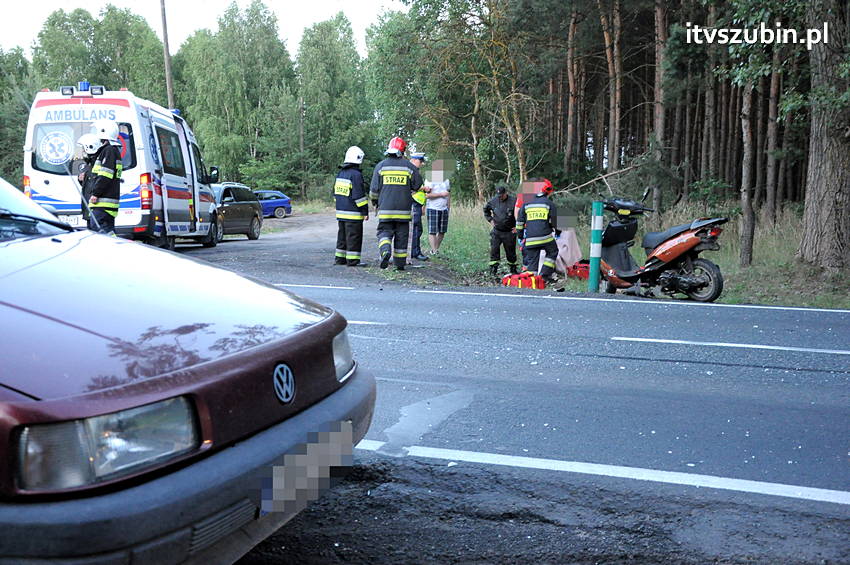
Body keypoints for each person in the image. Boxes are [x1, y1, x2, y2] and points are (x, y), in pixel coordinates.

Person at [370, 136, 423, 270]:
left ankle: (385, 250)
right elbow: (417, 185)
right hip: (404, 212)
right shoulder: (409, 167)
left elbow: (374, 190)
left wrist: (375, 202)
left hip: (385, 210)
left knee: (384, 233)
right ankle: (400, 265)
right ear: (403, 150)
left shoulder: (380, 166)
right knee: (401, 236)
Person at [81, 119, 123, 234]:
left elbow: (105, 175)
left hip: (103, 201)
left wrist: (95, 193)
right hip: (107, 200)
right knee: (105, 229)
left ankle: (115, 247)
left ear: (104, 131)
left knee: (99, 228)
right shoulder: (112, 150)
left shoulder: (108, 151)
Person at [515, 178, 559, 281]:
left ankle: (532, 281)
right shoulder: (549, 203)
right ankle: (544, 275)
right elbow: (556, 222)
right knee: (553, 251)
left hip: (530, 239)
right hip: (546, 238)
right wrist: (558, 232)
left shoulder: (526, 203)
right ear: (546, 191)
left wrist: (520, 236)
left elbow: (519, 222)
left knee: (532, 262)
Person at [333, 146, 369, 266]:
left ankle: (340, 259)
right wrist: (365, 212)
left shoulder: (341, 173)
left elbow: (335, 194)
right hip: (353, 214)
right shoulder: (356, 175)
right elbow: (359, 197)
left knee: (342, 237)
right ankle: (353, 260)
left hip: (341, 212)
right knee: (354, 237)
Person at [483, 183, 518, 276]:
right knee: (494, 250)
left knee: (511, 252)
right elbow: (486, 210)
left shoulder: (514, 201)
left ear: (505, 193)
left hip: (509, 231)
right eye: (499, 195)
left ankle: (513, 269)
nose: (500, 197)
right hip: (497, 231)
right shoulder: (493, 201)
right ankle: (493, 271)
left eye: (502, 195)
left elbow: (521, 213)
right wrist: (490, 220)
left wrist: (517, 226)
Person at [425, 159, 450, 254]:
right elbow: (427, 195)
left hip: (444, 209)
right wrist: (441, 194)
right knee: (432, 231)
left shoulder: (446, 180)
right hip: (433, 208)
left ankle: (435, 249)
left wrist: (448, 207)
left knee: (442, 231)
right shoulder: (430, 179)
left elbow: (448, 194)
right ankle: (435, 251)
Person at [75, 133, 101, 226]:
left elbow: (94, 186)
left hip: (94, 208)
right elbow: (88, 185)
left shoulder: (96, 163)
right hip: (90, 209)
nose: (83, 151)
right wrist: (81, 179)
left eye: (84, 148)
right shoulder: (89, 164)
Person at [409, 152, 429, 262]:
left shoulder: (414, 171)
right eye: (420, 161)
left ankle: (414, 251)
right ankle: (415, 252)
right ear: (414, 160)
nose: (421, 164)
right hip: (413, 202)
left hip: (417, 203)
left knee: (417, 228)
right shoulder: (411, 171)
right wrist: (424, 189)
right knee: (416, 228)